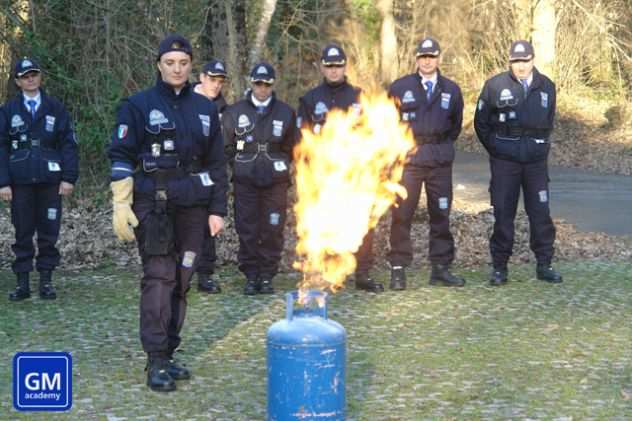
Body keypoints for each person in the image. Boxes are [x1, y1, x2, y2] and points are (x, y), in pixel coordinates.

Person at [108, 34, 227, 392]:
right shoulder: (137, 105)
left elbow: (218, 163)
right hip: (153, 205)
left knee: (183, 279)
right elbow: (120, 155)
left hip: (194, 206)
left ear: (192, 66)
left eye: (184, 63)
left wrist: (218, 209)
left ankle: (170, 352)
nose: (177, 69)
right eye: (170, 62)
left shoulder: (206, 108)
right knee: (160, 278)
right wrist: (120, 201)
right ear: (159, 64)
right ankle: (156, 359)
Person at [297, 44, 384, 293]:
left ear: (345, 66)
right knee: (324, 224)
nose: (334, 70)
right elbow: (299, 138)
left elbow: (374, 133)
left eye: (338, 65)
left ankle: (363, 273)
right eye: (329, 66)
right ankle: (326, 273)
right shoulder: (310, 99)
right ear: (322, 67)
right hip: (323, 175)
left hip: (354, 175)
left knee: (362, 224)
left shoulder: (359, 96)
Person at [474, 40, 561, 286]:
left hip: (535, 164)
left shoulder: (547, 87)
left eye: (525, 61)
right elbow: (481, 122)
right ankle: (500, 267)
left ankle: (545, 264)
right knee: (503, 213)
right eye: (516, 61)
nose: (521, 66)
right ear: (510, 61)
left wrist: (538, 146)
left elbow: (549, 120)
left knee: (541, 214)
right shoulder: (494, 86)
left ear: (533, 59)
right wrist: (498, 147)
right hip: (505, 163)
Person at [387, 37, 465, 290]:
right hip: (409, 159)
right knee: (402, 214)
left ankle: (441, 268)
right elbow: (388, 122)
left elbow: (454, 126)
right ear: (416, 59)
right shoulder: (400, 87)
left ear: (438, 58)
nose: (427, 61)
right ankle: (398, 269)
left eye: (431, 56)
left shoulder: (451, 90)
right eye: (423, 56)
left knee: (440, 214)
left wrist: (438, 145)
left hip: (439, 159)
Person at [0, 58, 79, 301]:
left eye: (34, 74)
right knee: (22, 232)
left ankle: (46, 282)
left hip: (50, 181)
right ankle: (22, 284)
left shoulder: (55, 107)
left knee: (49, 232)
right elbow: (1, 147)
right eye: (25, 76)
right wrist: (3, 182)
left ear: (40, 77)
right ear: (18, 82)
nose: (30, 79)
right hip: (20, 182)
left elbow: (69, 144)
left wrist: (68, 177)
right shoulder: (8, 110)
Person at [223, 62, 297, 295]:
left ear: (272, 84)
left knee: (272, 228)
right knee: (247, 229)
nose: (262, 88)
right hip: (245, 182)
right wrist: (243, 159)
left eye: (267, 84)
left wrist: (277, 162)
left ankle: (267, 276)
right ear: (251, 83)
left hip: (275, 182)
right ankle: (251, 275)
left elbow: (292, 147)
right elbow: (227, 146)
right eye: (258, 83)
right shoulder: (235, 112)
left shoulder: (285, 112)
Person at [193, 59, 229, 294]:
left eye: (220, 81)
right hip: (185, 171)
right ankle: (178, 274)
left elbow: (236, 139)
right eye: (212, 79)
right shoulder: (185, 100)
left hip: (213, 170)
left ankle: (205, 275)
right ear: (202, 77)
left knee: (209, 226)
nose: (216, 85)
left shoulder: (225, 109)